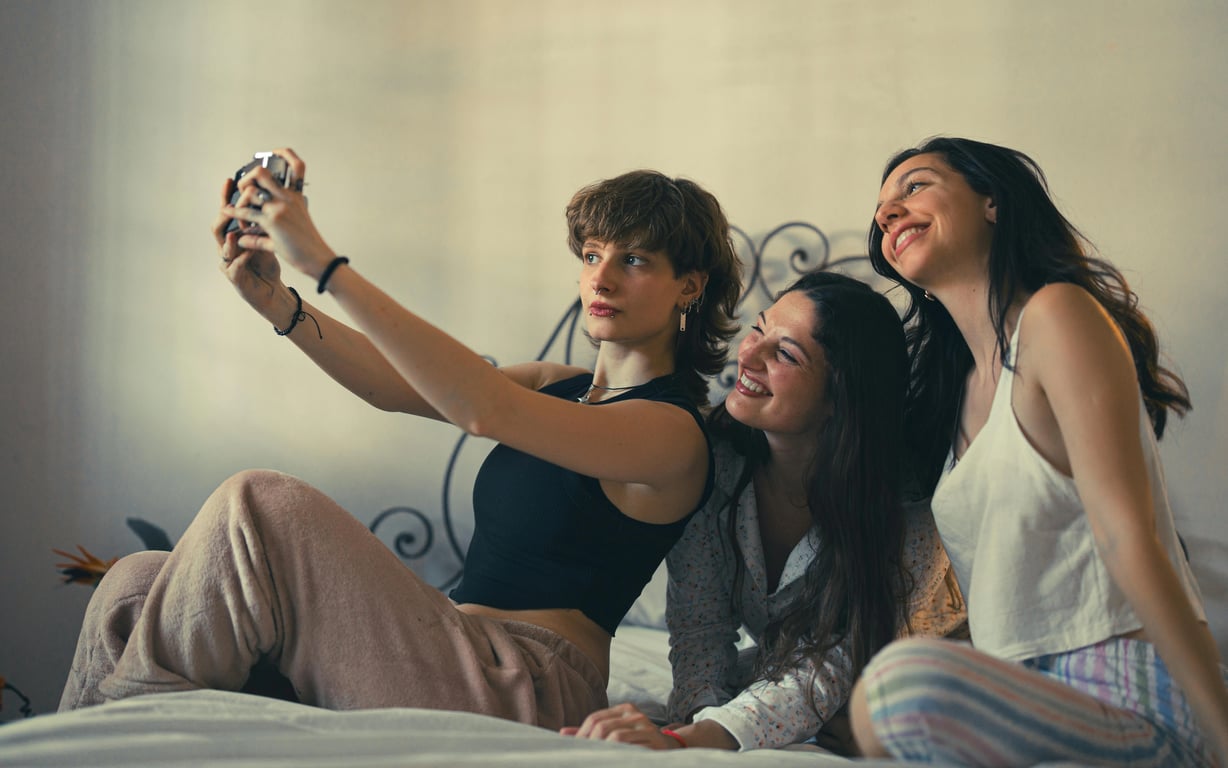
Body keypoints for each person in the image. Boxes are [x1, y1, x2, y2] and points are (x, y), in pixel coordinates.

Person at [57, 149, 744, 732]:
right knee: (134, 583)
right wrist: (281, 304)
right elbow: (396, 385)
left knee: (259, 503)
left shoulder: (672, 431)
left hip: (526, 686)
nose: (601, 276)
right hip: (449, 646)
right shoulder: (557, 385)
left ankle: (120, 737)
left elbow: (481, 408)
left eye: (634, 259)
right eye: (593, 254)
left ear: (689, 284)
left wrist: (325, 263)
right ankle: (114, 737)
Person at [849, 136, 1228, 766]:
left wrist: (1221, 736)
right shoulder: (953, 400)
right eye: (882, 209)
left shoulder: (1056, 317)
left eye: (913, 186)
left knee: (895, 686)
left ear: (992, 202)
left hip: (1133, 699)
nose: (888, 212)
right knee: (876, 703)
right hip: (1023, 705)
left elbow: (1128, 536)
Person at [564, 271, 966, 752]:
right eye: (758, 329)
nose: (748, 356)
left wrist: (702, 736)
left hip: (915, 685)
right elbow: (701, 628)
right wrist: (687, 728)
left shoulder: (904, 507)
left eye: (785, 354)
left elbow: (834, 659)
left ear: (841, 398)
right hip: (810, 681)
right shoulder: (712, 461)